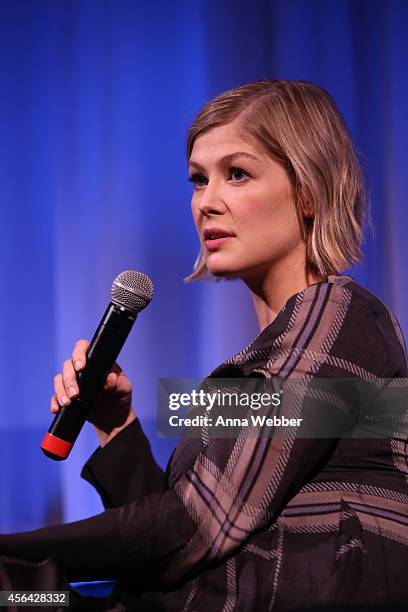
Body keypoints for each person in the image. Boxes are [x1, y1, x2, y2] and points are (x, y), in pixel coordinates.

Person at [1, 80, 408, 611]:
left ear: (309, 191)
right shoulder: (266, 356)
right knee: (28, 599)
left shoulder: (338, 315)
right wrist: (117, 428)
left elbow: (194, 523)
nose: (207, 202)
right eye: (198, 180)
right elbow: (174, 537)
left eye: (237, 174)